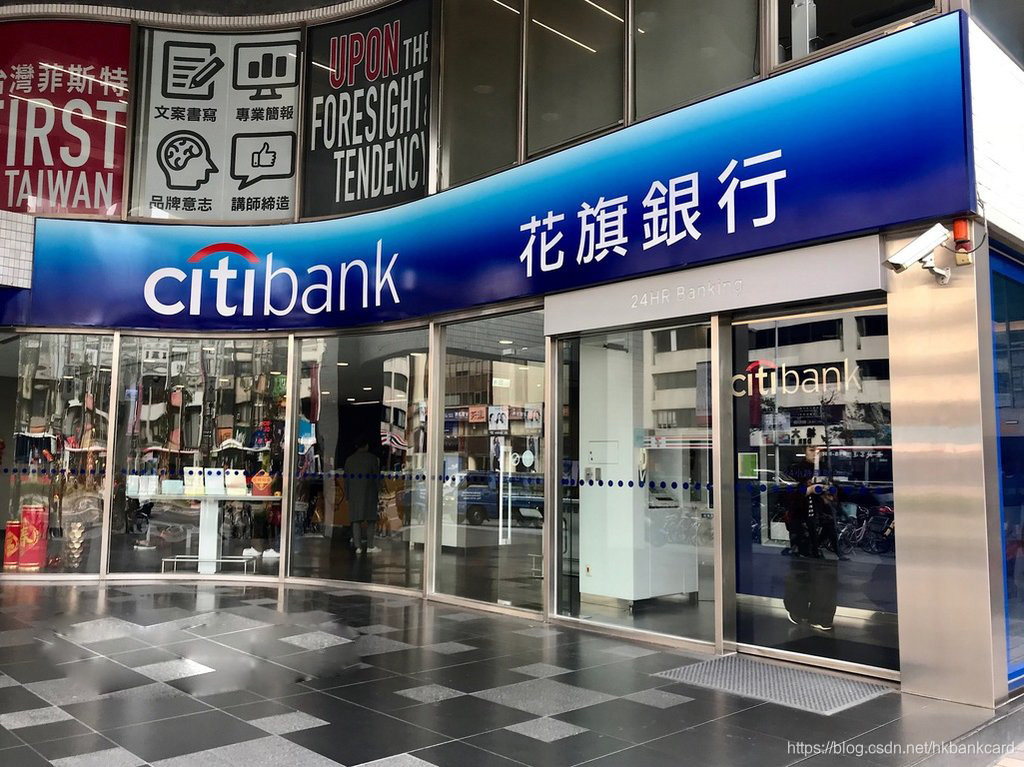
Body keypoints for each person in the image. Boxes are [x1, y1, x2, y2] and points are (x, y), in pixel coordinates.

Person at [344, 441, 381, 554]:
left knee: (356, 520)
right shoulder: (372, 459)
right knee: (371, 520)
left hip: (354, 494)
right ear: (366, 445)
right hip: (369, 493)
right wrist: (379, 491)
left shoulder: (349, 460)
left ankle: (358, 547)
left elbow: (346, 480)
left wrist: (347, 494)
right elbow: (376, 477)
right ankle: (370, 546)